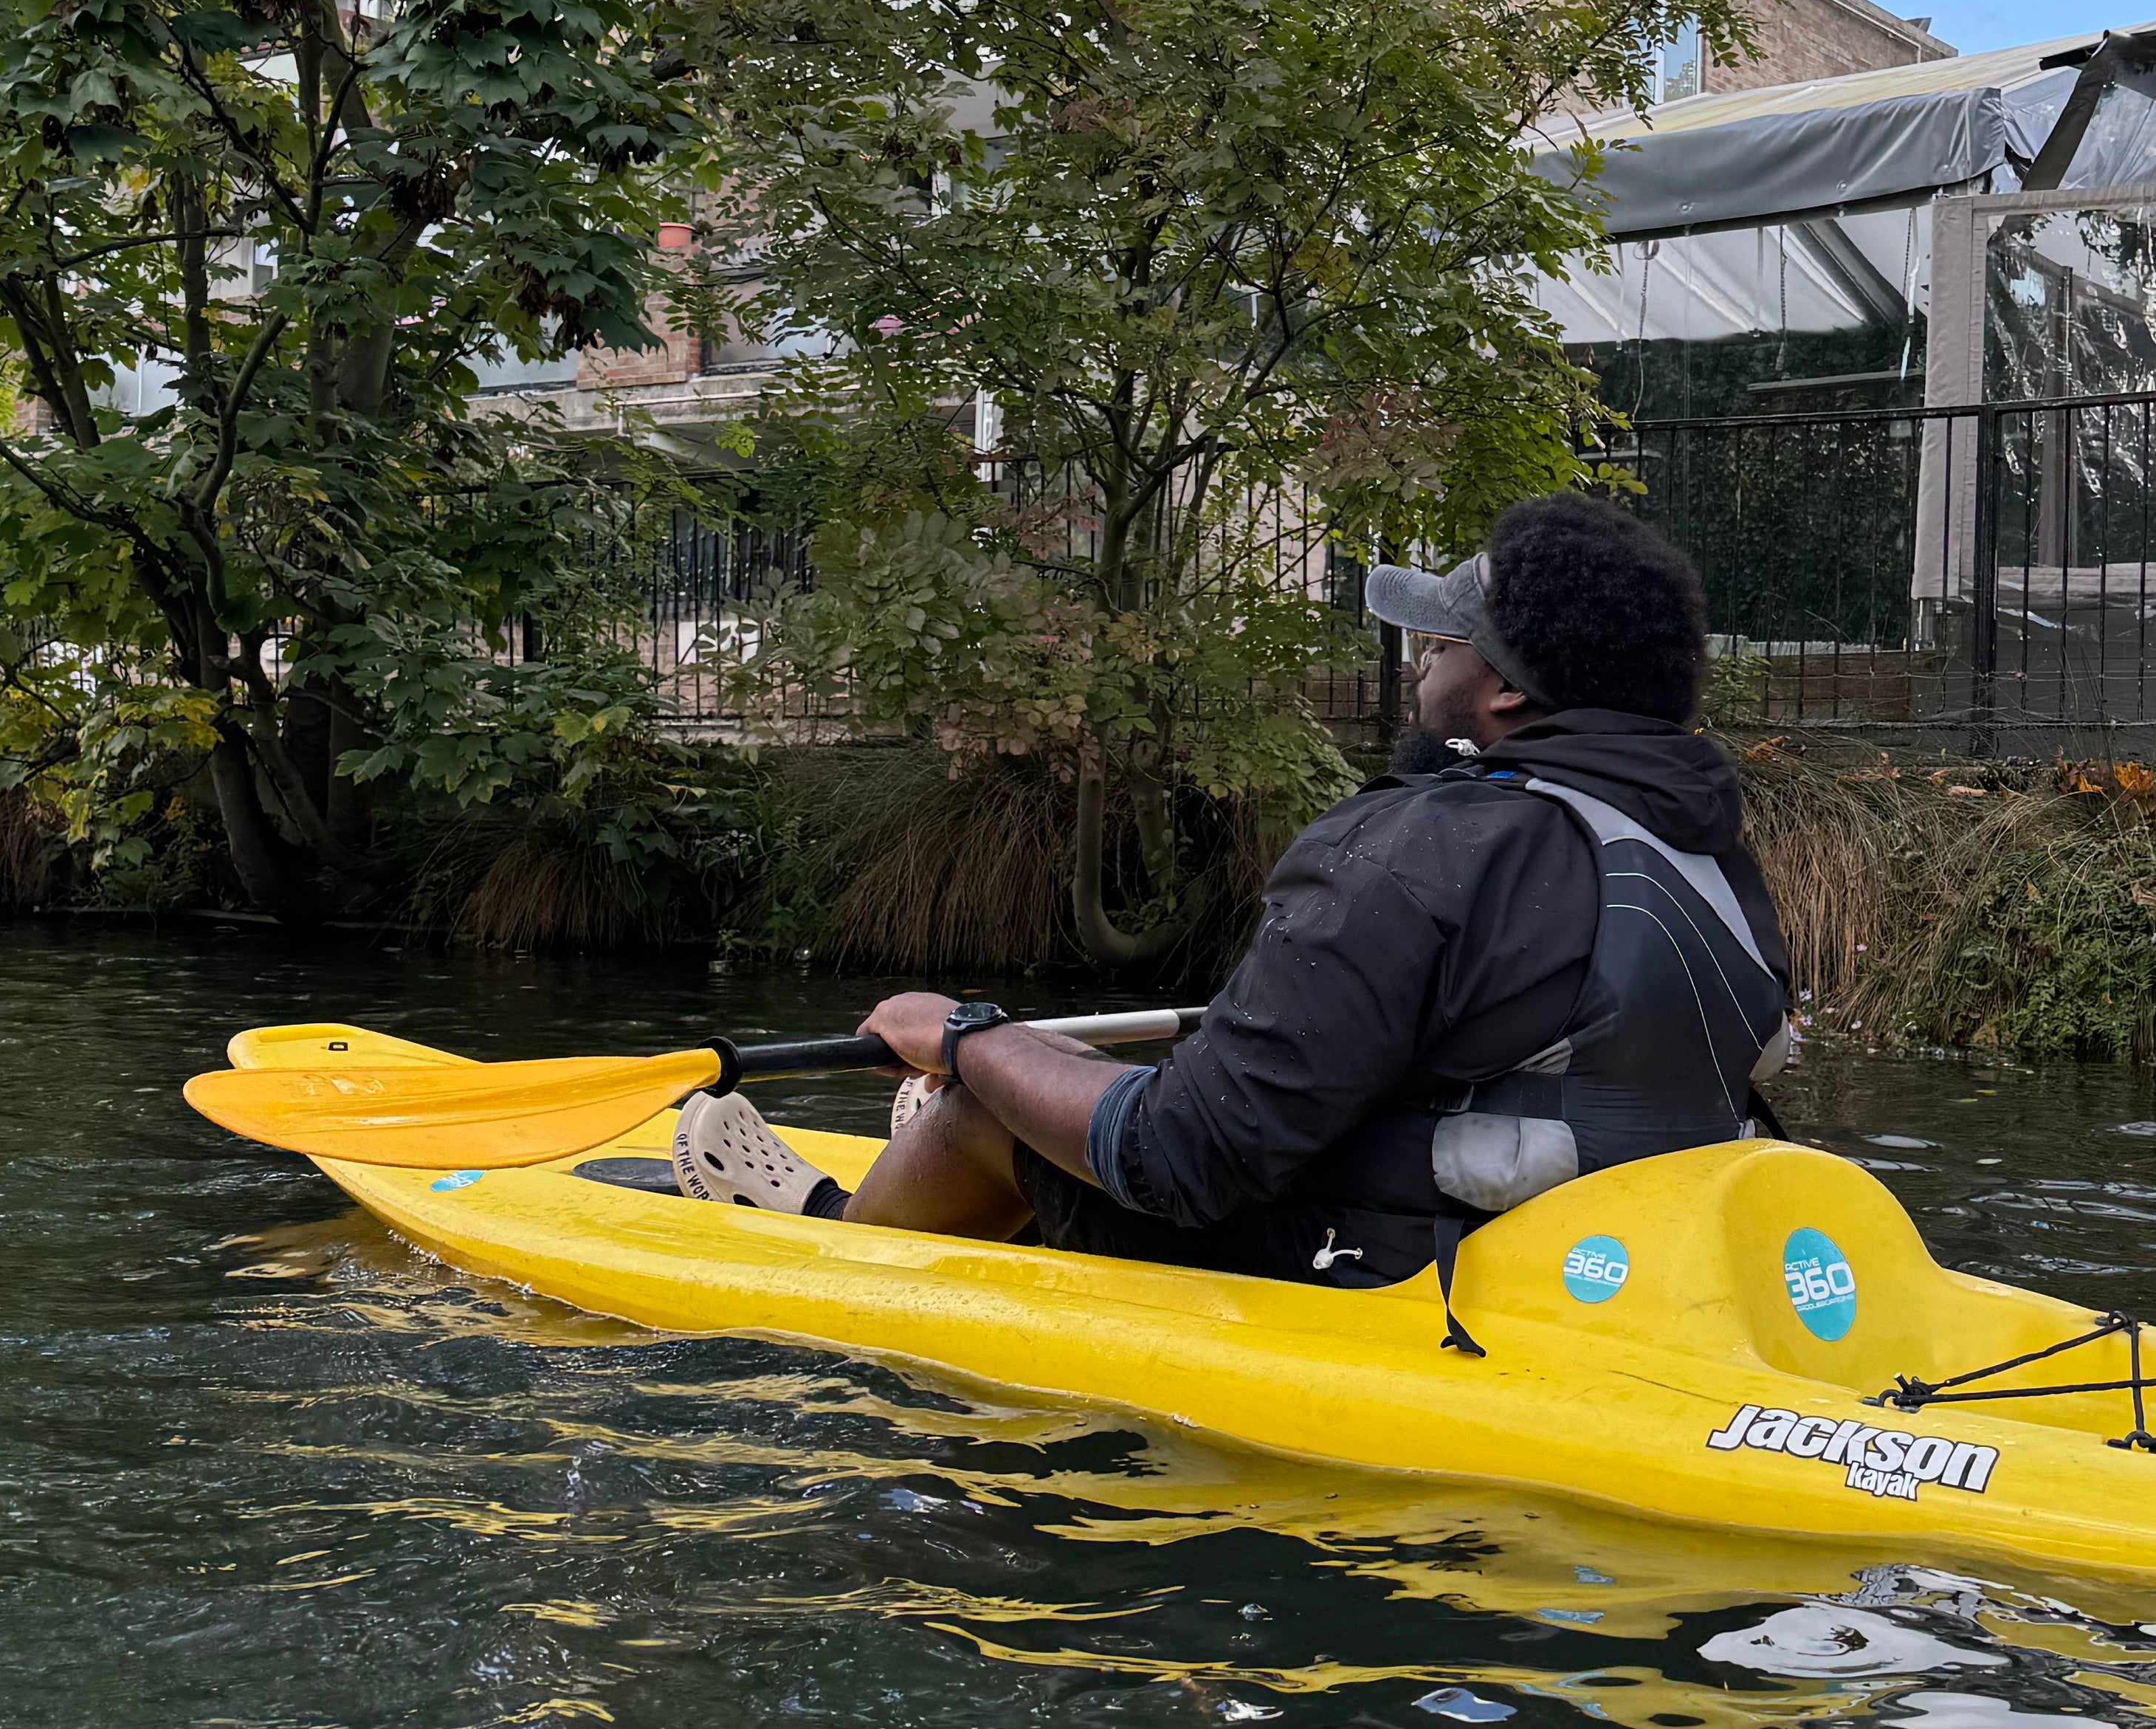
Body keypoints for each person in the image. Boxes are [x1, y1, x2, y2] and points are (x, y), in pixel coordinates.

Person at [670, 490, 1794, 1284]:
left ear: (1500, 692)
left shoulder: (1417, 846)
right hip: (1596, 1263)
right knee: (1053, 1063)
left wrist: (962, 1036)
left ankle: (836, 1241)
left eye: (1439, 647)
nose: (1418, 666)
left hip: (1395, 1271)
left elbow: (1181, 1159)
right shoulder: (1712, 860)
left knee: (976, 1103)